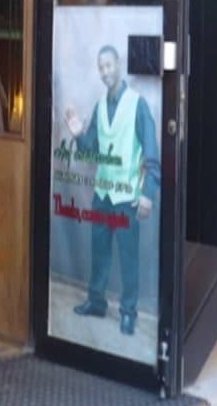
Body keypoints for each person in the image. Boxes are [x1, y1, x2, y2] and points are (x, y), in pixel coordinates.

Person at [64, 45, 160, 336]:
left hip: (127, 197)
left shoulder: (138, 105)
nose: (105, 72)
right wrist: (78, 133)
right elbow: (91, 151)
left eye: (108, 65)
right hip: (103, 194)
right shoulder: (99, 106)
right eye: (100, 68)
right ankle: (96, 302)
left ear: (118, 64)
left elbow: (152, 155)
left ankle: (128, 312)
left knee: (129, 258)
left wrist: (148, 194)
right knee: (100, 252)